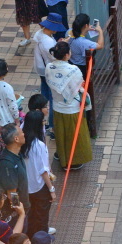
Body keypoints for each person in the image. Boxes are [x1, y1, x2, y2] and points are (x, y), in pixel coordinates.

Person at [45, 41, 93, 170]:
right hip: (72, 109)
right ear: (67, 55)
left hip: (57, 107)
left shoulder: (49, 67)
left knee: (61, 134)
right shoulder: (74, 70)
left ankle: (61, 156)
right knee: (75, 136)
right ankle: (73, 161)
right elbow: (78, 86)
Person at [21, 111, 56, 238]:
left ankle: (31, 241)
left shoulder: (21, 141)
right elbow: (43, 171)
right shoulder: (38, 145)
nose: (44, 124)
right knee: (41, 217)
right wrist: (51, 189)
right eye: (43, 122)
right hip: (39, 187)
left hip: (25, 187)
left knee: (31, 216)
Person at [0, 123, 30, 220]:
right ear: (16, 139)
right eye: (22, 132)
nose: (24, 134)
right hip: (13, 215)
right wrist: (20, 213)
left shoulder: (16, 155)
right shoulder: (7, 164)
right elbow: (12, 194)